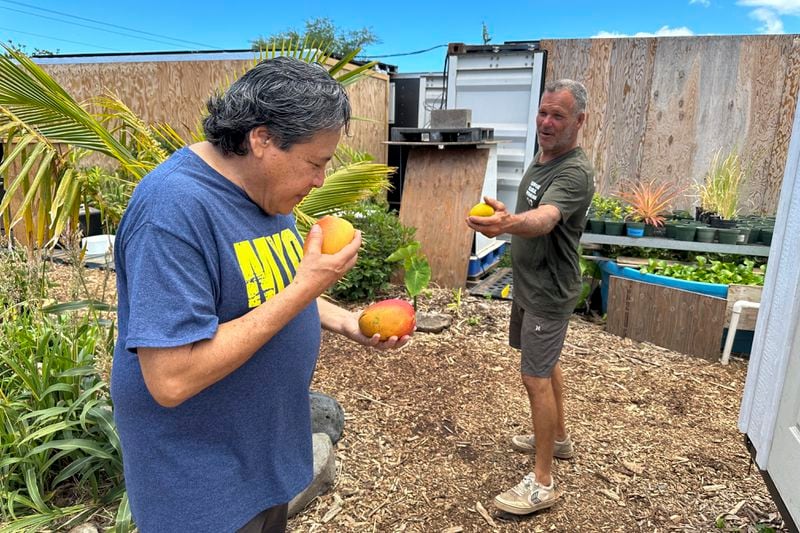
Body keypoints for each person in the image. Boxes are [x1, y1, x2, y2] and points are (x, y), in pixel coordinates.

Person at [111, 56, 409, 533]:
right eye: (315, 163)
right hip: (202, 486)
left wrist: (345, 321)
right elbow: (170, 379)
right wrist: (308, 286)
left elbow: (272, 289)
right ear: (262, 139)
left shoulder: (266, 191)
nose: (319, 181)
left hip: (261, 459)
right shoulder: (172, 210)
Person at [466, 79, 595, 515]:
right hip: (528, 283)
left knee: (534, 378)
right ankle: (558, 440)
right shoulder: (545, 157)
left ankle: (543, 482)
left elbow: (545, 219)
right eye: (543, 112)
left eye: (558, 116)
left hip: (547, 293)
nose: (546, 122)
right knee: (546, 362)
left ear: (580, 121)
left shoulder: (573, 172)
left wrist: (508, 224)